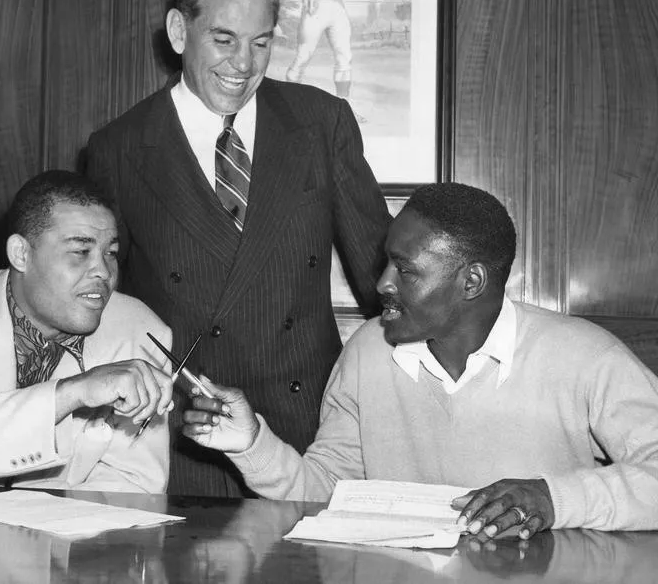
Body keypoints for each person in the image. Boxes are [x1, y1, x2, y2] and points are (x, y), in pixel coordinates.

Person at [183, 182, 658, 541]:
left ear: (471, 282)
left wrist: (552, 500)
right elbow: (328, 491)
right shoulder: (368, 351)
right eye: (387, 264)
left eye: (405, 269)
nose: (383, 283)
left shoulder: (587, 356)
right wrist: (250, 443)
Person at [83, 0, 389, 496]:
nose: (243, 64)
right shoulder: (119, 148)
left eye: (262, 42)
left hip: (308, 440)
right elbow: (105, 302)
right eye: (223, 40)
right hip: (186, 433)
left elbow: (382, 279)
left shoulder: (322, 123)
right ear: (180, 31)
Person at [0, 170, 176, 492]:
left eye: (111, 253)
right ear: (21, 255)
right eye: (80, 251)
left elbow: (135, 487)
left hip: (64, 539)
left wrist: (39, 539)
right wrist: (73, 393)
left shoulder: (143, 333)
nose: (104, 272)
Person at [286, 0, 391, 103]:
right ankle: (289, 105)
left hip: (336, 5)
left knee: (344, 57)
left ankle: (344, 107)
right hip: (315, 6)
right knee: (303, 56)